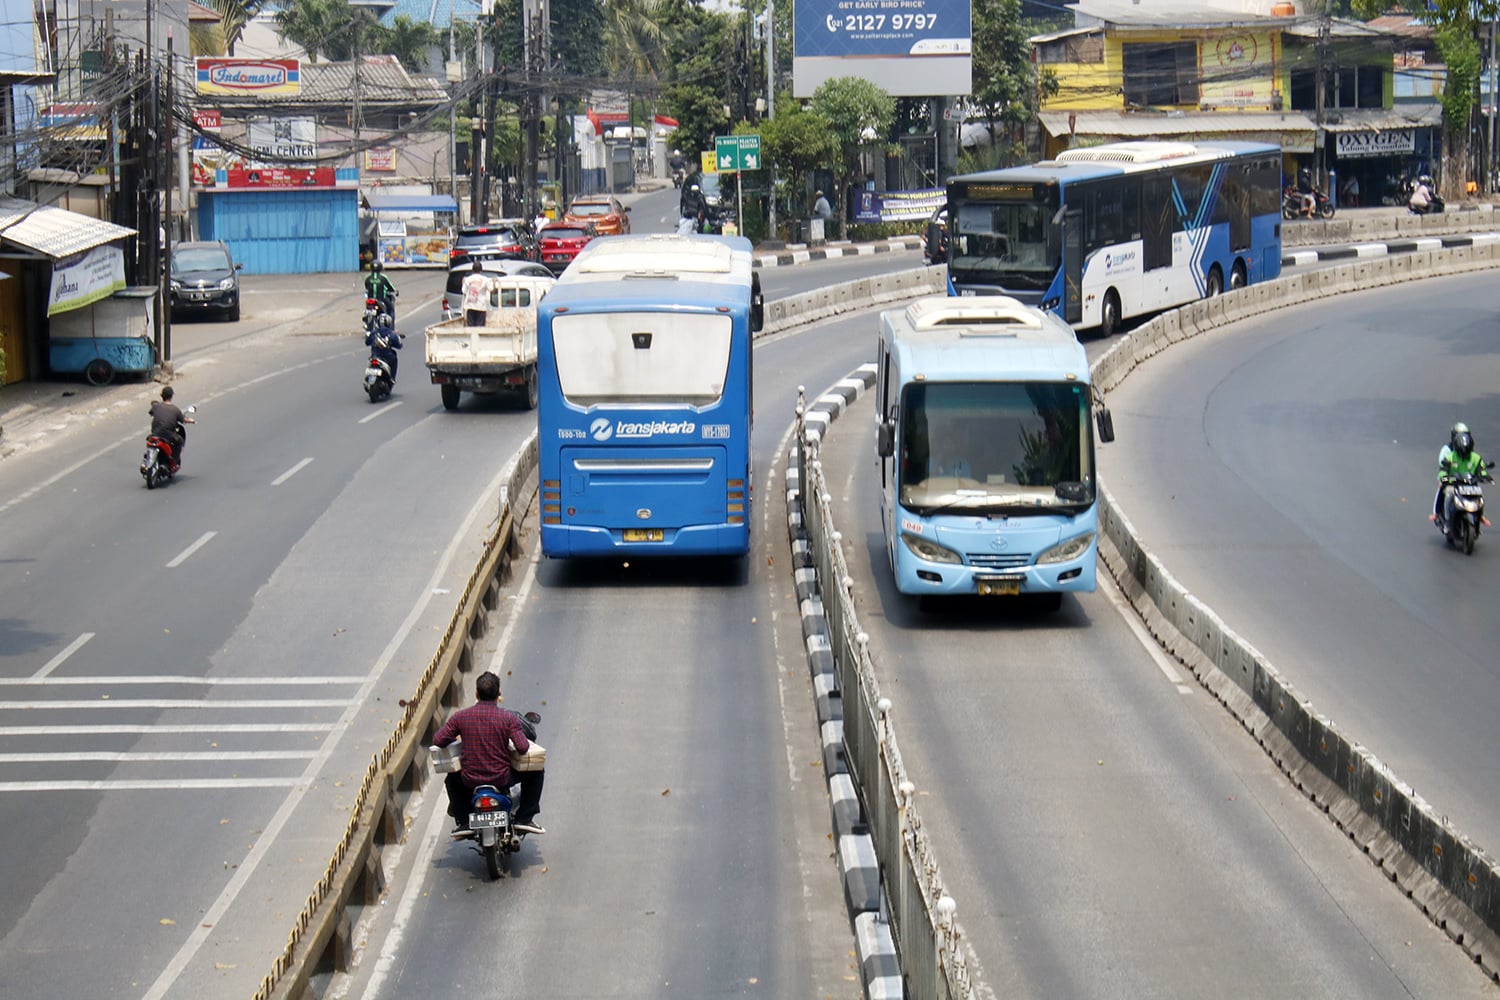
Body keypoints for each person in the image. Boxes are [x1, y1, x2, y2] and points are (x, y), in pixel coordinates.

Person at [431, 671, 545, 835]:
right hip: (502, 778)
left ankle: (463, 821)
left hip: (469, 779)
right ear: (499, 694)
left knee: (451, 780)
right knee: (536, 772)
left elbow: (438, 740)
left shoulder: (460, 717)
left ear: (476, 693)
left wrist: (458, 736)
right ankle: (525, 818)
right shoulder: (508, 719)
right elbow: (522, 747)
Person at [1433, 423, 1487, 530]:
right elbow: (1443, 466)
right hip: (1453, 482)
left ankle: (1480, 516)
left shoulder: (1471, 454)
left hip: (1468, 482)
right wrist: (1445, 477)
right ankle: (1441, 516)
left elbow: (1480, 468)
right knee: (1446, 493)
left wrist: (1484, 476)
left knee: (1480, 495)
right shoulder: (1448, 453)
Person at [149, 386, 195, 471]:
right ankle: (174, 461)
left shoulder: (156, 407)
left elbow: (151, 412)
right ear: (171, 396)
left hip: (155, 434)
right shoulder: (175, 410)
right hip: (168, 435)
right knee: (179, 441)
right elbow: (183, 420)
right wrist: (191, 420)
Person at [365, 312, 402, 382]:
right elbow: (399, 345)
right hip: (387, 357)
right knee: (394, 359)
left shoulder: (374, 332)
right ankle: (392, 378)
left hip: (375, 356)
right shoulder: (391, 334)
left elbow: (367, 342)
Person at [461, 260, 492, 327]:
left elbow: (464, 291)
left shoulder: (468, 279)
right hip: (481, 307)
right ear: (481, 270)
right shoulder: (485, 279)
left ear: (472, 270)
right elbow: (491, 290)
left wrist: (463, 283)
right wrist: (494, 283)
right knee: (479, 329)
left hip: (470, 307)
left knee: (471, 328)